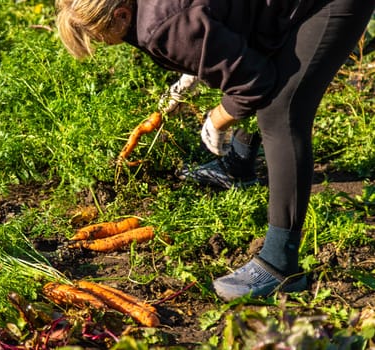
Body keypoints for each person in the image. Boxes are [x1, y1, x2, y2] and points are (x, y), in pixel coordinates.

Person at [54, 0, 375, 301]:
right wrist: (191, 69)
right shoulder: (150, 12)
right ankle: (238, 167)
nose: (96, 42)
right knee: (261, 61)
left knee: (281, 112)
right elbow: (211, 17)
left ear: (122, 14)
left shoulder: (163, 26)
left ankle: (280, 265)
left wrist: (218, 118)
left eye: (94, 33)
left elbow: (254, 83)